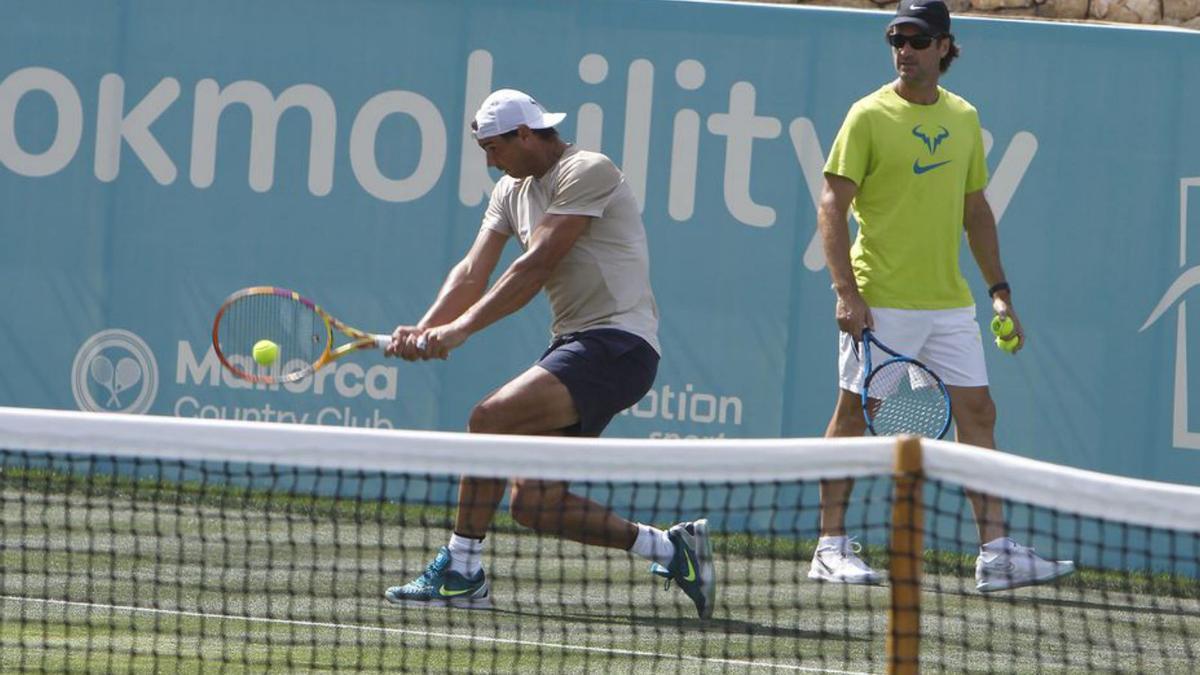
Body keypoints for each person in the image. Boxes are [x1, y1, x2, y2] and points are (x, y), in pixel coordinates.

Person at [381, 89, 715, 618]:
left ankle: (462, 569)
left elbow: (535, 266)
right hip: (577, 344)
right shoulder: (509, 190)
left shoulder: (588, 169)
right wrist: (424, 329)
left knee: (490, 420)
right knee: (534, 504)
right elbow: (472, 271)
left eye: (495, 147)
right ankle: (671, 548)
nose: (490, 161)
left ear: (526, 135)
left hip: (617, 344)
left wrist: (460, 331)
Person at [811, 0, 1075, 593]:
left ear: (944, 47)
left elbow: (974, 209)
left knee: (980, 413)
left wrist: (999, 292)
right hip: (880, 300)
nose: (904, 49)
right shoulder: (867, 116)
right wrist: (846, 292)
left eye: (917, 38)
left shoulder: (963, 118)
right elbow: (832, 203)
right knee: (853, 417)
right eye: (896, 38)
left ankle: (997, 554)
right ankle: (829, 547)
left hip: (950, 301)